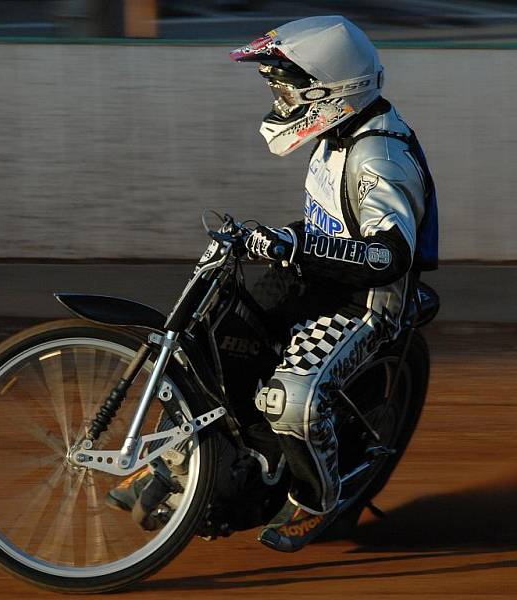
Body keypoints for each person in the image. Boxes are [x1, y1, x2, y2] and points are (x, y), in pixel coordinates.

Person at [109, 14, 438, 553]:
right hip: (318, 280)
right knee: (215, 346)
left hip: (367, 303)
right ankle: (179, 460)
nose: (279, 100)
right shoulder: (339, 136)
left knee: (290, 399)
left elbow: (388, 254)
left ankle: (317, 500)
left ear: (332, 90)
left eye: (287, 88)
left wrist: (297, 247)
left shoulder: (380, 154)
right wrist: (282, 236)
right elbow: (335, 220)